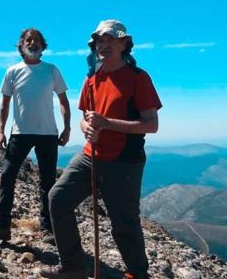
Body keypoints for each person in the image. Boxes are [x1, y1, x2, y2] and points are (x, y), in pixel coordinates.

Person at [40, 20, 161, 279]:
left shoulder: (138, 78)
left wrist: (107, 124)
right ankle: (72, 267)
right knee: (58, 199)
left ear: (124, 44)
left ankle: (137, 274)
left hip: (124, 161)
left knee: (123, 222)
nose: (104, 45)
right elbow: (86, 115)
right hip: (90, 155)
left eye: (111, 40)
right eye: (100, 41)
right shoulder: (93, 78)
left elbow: (151, 125)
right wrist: (86, 127)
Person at [0, 28, 70, 245]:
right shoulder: (13, 71)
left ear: (43, 46)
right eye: (28, 40)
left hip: (47, 134)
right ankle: (2, 226)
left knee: (48, 182)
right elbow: (4, 104)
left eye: (37, 40)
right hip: (19, 133)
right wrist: (0, 130)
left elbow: (63, 101)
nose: (32, 43)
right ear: (21, 45)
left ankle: (47, 228)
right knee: (7, 176)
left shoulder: (51, 70)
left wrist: (67, 127)